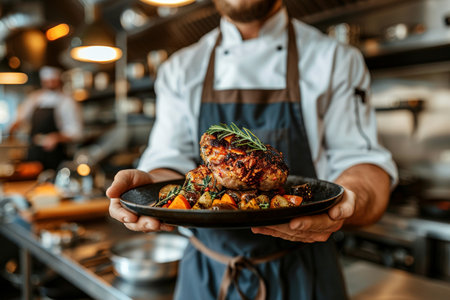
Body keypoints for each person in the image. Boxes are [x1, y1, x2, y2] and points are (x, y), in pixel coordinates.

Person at [107, 0, 398, 299]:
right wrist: (151, 190)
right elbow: (170, 161)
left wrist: (347, 201)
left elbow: (363, 164)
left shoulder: (335, 60)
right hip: (206, 275)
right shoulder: (181, 69)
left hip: (304, 275)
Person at [9, 66, 83, 170]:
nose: (50, 84)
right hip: (34, 154)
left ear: (59, 80)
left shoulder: (68, 101)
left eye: (53, 81)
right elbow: (20, 118)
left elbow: (77, 133)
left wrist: (57, 137)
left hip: (55, 156)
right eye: (47, 81)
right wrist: (13, 127)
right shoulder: (34, 98)